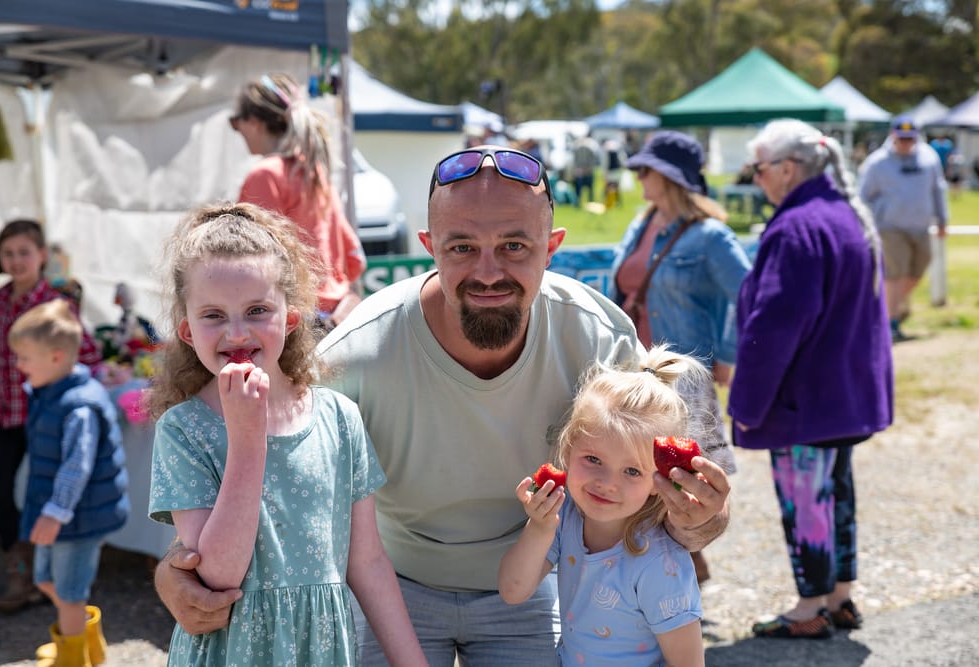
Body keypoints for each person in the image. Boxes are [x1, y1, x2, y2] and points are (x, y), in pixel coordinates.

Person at [153, 147, 731, 665]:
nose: (488, 271)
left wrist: (700, 517)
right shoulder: (356, 354)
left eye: (514, 246)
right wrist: (177, 570)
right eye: (462, 247)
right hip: (392, 585)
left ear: (551, 248)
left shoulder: (601, 337)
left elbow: (684, 493)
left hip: (534, 580)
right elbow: (278, 481)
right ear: (429, 248)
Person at [146, 203, 425, 665]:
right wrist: (247, 439)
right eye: (213, 315)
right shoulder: (184, 429)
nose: (237, 333)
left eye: (257, 310)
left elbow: (368, 563)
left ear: (290, 319)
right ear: (188, 332)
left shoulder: (340, 418)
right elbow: (217, 576)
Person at [730, 119, 893, 639]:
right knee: (837, 493)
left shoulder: (797, 227)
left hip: (805, 398)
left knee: (806, 501)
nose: (755, 178)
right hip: (841, 393)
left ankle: (811, 606)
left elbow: (776, 324)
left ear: (787, 169)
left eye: (758, 169)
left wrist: (747, 402)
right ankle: (839, 596)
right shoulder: (845, 215)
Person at [498, 346, 706, 667]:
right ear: (568, 450)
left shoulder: (659, 565)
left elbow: (689, 663)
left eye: (632, 471)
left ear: (659, 481)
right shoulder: (566, 516)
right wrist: (539, 527)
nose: (607, 483)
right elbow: (513, 591)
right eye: (593, 459)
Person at [610, 130, 751, 584]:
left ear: (669, 177)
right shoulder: (641, 223)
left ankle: (683, 565)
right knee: (633, 470)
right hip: (634, 372)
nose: (638, 176)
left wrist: (727, 353)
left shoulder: (710, 236)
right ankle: (674, 567)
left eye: (645, 169)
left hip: (682, 378)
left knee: (681, 479)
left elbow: (749, 294)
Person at [0, 218, 101, 614]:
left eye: (24, 252)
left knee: (46, 493)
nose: (16, 260)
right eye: (8, 253)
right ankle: (19, 571)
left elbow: (87, 355)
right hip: (4, 415)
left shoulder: (56, 306)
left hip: (46, 418)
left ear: (42, 255)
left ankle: (53, 575)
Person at [8, 298, 128, 666]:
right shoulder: (51, 392)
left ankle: (73, 658)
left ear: (56, 357)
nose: (19, 365)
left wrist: (56, 511)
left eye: (25, 358)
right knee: (47, 580)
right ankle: (87, 642)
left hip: (76, 518)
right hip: (59, 513)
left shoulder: (79, 406)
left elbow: (77, 466)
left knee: (70, 592)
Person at [230, 72, 366, 328]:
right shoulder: (314, 171)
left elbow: (251, 261)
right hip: (337, 318)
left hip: (299, 322)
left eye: (236, 122)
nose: (238, 131)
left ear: (255, 122)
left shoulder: (265, 175)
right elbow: (355, 259)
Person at [858, 114, 948, 342]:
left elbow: (938, 189)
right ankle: (891, 322)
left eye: (910, 138)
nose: (906, 143)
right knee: (895, 274)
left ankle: (890, 306)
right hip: (889, 227)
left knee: (917, 270)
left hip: (921, 226)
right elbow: (862, 196)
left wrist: (942, 219)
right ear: (892, 136)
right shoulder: (877, 163)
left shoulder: (928, 158)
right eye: (902, 139)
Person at [571, 135, 600, 206]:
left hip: (580, 171)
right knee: (590, 188)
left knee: (578, 188)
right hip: (588, 170)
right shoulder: (590, 148)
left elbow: (574, 160)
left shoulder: (577, 148)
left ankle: (577, 202)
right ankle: (590, 202)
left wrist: (576, 169)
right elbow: (593, 160)